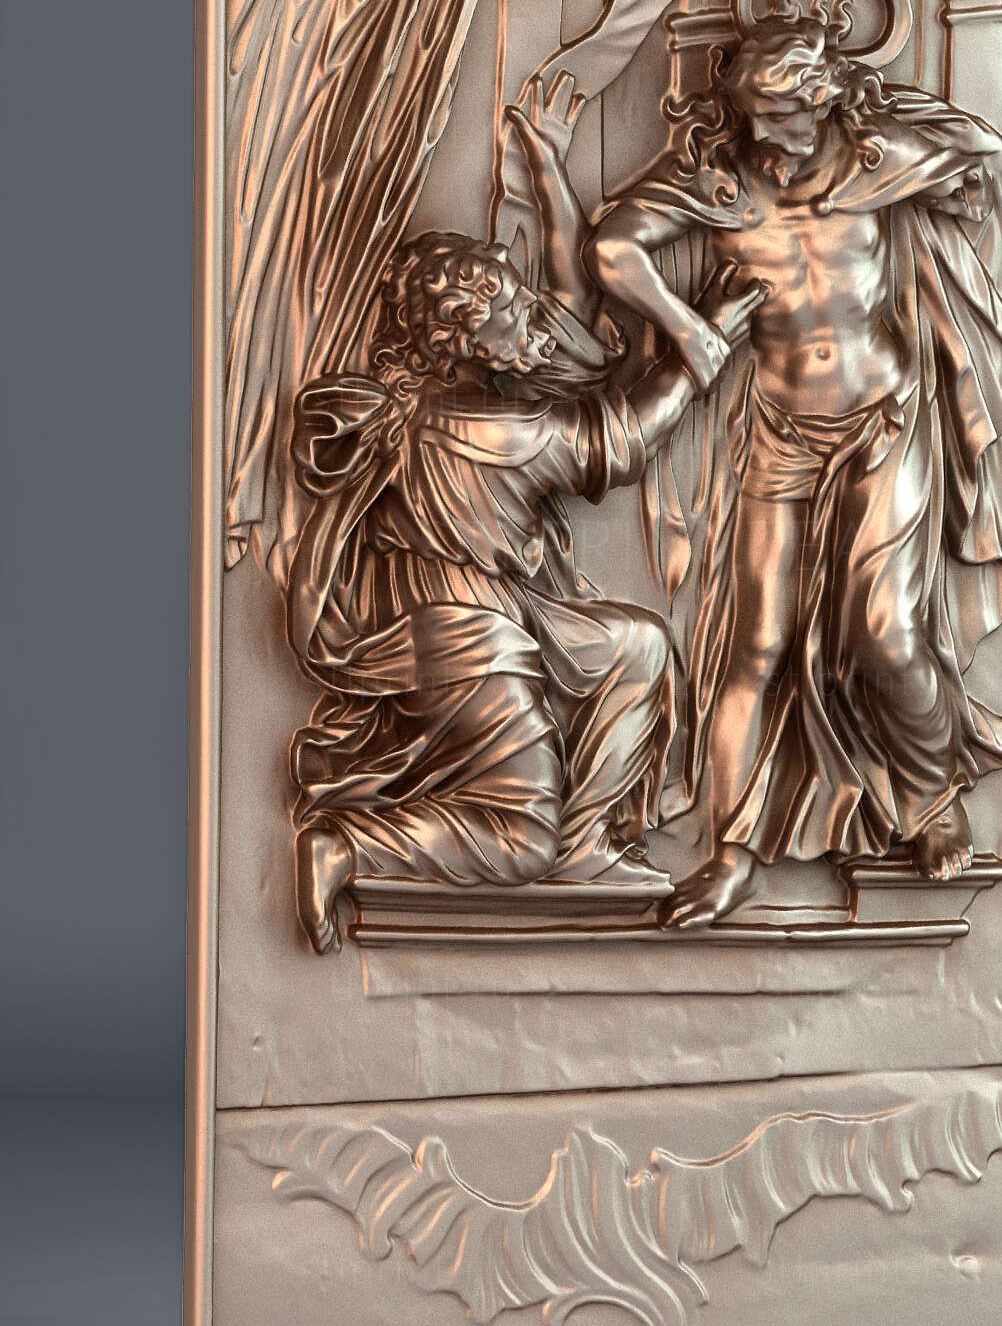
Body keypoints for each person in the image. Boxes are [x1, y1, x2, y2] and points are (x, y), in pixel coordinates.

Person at [588, 0, 1002, 927]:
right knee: (755, 641)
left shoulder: (875, 162)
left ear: (822, 99)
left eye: (782, 114)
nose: (764, 134)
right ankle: (732, 853)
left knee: (886, 633)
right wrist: (690, 331)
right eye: (752, 114)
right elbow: (614, 247)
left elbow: (986, 171)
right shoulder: (724, 183)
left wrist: (956, 186)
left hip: (883, 424)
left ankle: (931, 801)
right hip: (781, 430)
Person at [284, 220, 765, 953]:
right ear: (469, 339)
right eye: (515, 307)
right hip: (465, 635)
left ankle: (587, 843)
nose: (533, 315)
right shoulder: (490, 433)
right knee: (519, 839)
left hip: (499, 612)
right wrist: (708, 343)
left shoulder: (434, 407)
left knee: (636, 648)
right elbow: (621, 441)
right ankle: (348, 846)